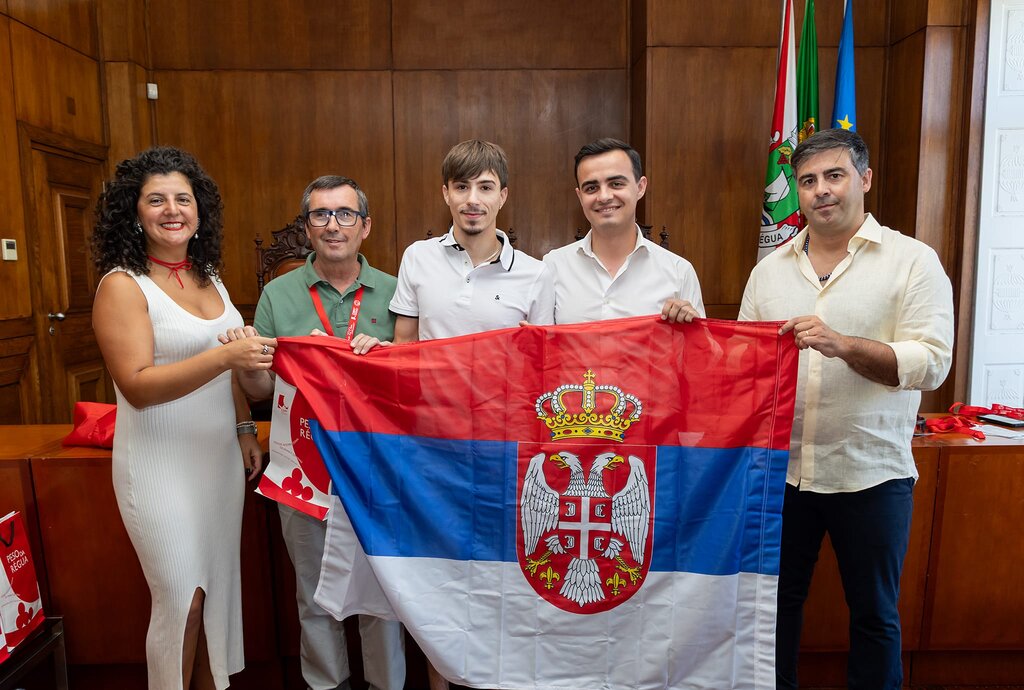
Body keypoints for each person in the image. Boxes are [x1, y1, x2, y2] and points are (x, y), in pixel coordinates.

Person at [738, 129, 954, 689]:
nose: (821, 190)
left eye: (834, 176)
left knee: (875, 615)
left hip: (871, 474)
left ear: (865, 179)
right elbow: (743, 366)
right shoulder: (769, 271)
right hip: (783, 475)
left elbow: (932, 364)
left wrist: (843, 345)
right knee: (773, 611)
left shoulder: (913, 262)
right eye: (807, 180)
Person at [354, 139, 553, 690]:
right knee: (437, 576)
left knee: (501, 574)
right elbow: (405, 349)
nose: (473, 200)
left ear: (503, 196)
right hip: (432, 447)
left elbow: (541, 371)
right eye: (462, 187)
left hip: (503, 450)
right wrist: (375, 354)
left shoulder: (535, 274)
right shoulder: (418, 258)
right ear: (445, 193)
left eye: (485, 187)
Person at [91, 146, 277, 690]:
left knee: (212, 597)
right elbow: (138, 387)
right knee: (181, 600)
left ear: (200, 211)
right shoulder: (123, 285)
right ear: (133, 212)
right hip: (159, 464)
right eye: (156, 200)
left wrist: (244, 426)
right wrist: (225, 356)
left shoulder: (209, 276)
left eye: (183, 199)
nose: (172, 210)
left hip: (216, 460)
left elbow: (231, 370)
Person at [223, 175, 406, 690]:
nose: (333, 225)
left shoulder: (397, 291)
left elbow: (412, 381)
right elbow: (260, 387)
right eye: (321, 214)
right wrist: (247, 363)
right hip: (302, 468)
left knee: (384, 594)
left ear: (365, 226)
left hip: (377, 469)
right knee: (313, 593)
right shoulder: (278, 294)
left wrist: (387, 357)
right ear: (307, 227)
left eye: (345, 214)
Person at [543, 138, 704, 324]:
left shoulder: (679, 272)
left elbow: (701, 343)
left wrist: (692, 327)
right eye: (592, 188)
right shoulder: (552, 267)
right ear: (580, 196)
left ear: (640, 187)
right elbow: (540, 338)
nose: (604, 197)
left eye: (616, 184)